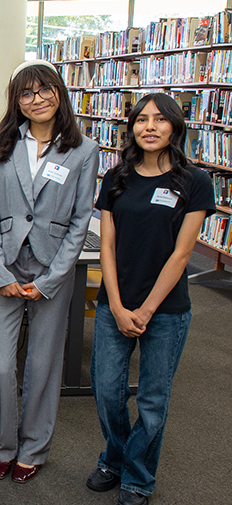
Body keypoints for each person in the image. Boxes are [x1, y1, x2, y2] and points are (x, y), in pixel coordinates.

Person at [87, 93, 214, 505]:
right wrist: (120, 306)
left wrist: (144, 310)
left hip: (166, 311)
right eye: (142, 119)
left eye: (160, 120)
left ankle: (136, 476)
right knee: (107, 392)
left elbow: (182, 254)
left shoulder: (195, 182)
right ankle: (118, 454)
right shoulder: (116, 177)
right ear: (132, 127)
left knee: (153, 400)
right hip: (114, 304)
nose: (150, 127)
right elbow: (106, 246)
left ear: (175, 127)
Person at [0, 59, 98, 483]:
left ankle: (33, 448)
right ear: (17, 101)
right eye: (26, 93)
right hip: (5, 266)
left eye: (44, 89)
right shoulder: (5, 143)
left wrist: (50, 280)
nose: (37, 99)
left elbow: (81, 219)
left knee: (43, 364)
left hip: (52, 268)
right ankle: (4, 445)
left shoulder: (83, 150)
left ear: (59, 92)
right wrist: (0, 272)